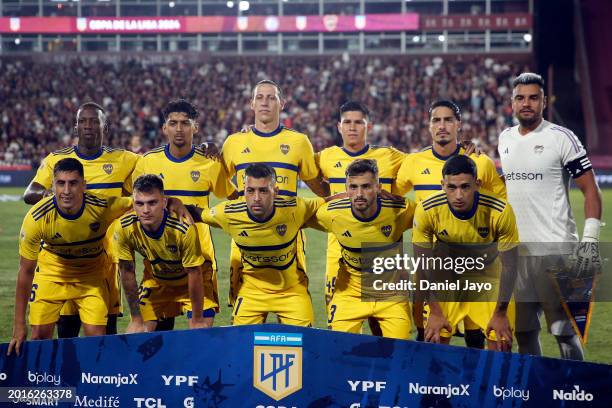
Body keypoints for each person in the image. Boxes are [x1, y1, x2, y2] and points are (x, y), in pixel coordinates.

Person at [497, 72, 602, 360]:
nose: (526, 103)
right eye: (520, 98)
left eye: (533, 98)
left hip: (556, 250)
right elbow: (510, 184)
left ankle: (575, 391)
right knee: (524, 332)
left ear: (543, 101)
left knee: (563, 330)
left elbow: (591, 190)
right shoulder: (504, 138)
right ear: (512, 103)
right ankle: (539, 391)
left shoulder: (561, 137)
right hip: (517, 254)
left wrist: (590, 241)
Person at [22, 102, 140, 337]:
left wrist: (204, 148)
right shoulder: (57, 159)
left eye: (94, 120)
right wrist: (50, 194)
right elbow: (29, 193)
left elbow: (152, 180)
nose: (88, 126)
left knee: (105, 330)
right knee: (67, 328)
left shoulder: (125, 160)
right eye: (83, 121)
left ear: (105, 127)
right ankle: (67, 375)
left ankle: (103, 375)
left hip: (105, 258)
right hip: (63, 257)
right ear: (76, 127)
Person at [396, 99, 506, 347]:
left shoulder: (480, 163)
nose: (442, 125)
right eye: (437, 120)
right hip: (431, 266)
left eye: (448, 120)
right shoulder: (413, 163)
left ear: (459, 125)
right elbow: (392, 198)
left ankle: (475, 385)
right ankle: (432, 386)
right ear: (429, 126)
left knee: (476, 337)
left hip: (474, 265)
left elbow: (501, 206)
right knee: (429, 334)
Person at [9, 158, 135, 355]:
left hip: (90, 278)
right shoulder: (37, 218)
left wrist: (173, 202)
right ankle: (46, 383)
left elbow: (143, 202)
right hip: (52, 274)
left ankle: (93, 383)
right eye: (61, 183)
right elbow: (25, 271)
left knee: (97, 340)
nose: (66, 190)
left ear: (84, 185)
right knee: (39, 337)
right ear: (52, 185)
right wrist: (18, 325)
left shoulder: (103, 206)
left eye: (73, 183)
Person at [221, 80, 329, 306]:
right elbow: (218, 182)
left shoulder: (299, 142)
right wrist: (239, 202)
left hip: (288, 238)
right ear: (251, 104)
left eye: (271, 98)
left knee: (293, 312)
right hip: (245, 238)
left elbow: (317, 186)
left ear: (282, 104)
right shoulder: (234, 142)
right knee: (244, 316)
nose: (265, 103)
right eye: (260, 97)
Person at [133, 99, 238, 329]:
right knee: (149, 340)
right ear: (164, 128)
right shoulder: (148, 162)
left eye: (185, 123)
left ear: (195, 127)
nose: (179, 129)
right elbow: (133, 203)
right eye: (173, 123)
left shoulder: (209, 164)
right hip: (159, 264)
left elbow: (234, 198)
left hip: (200, 261)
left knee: (199, 340)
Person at [412, 155, 519, 351]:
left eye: (465, 187)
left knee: (501, 342)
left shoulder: (500, 211)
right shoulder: (427, 210)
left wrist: (500, 313)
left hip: (488, 277)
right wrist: (435, 311)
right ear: (442, 185)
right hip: (446, 277)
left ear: (477, 184)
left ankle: (493, 382)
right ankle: (437, 382)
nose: (458, 195)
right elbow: (422, 265)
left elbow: (511, 266)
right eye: (452, 187)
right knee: (434, 340)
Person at [198, 163, 326, 326]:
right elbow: (199, 214)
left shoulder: (295, 207)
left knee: (302, 344)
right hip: (252, 292)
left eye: (263, 190)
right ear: (244, 191)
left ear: (276, 192)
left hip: (291, 292)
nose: (256, 198)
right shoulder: (228, 213)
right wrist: (175, 204)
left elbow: (328, 202)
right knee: (242, 344)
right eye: (250, 191)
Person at [308, 159, 415, 339]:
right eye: (353, 187)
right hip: (350, 294)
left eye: (366, 186)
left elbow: (435, 218)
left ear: (378, 187)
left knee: (400, 354)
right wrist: (328, 198)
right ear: (346, 188)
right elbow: (293, 216)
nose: (359, 194)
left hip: (391, 296)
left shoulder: (401, 209)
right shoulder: (331, 213)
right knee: (338, 351)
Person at [115, 175, 209, 332]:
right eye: (140, 203)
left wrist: (197, 318)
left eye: (152, 203)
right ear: (133, 204)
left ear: (164, 202)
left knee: (199, 335)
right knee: (136, 334)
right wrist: (137, 319)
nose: (145, 210)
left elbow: (195, 273)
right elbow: (126, 272)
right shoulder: (124, 227)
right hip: (157, 283)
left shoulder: (183, 228)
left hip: (191, 283)